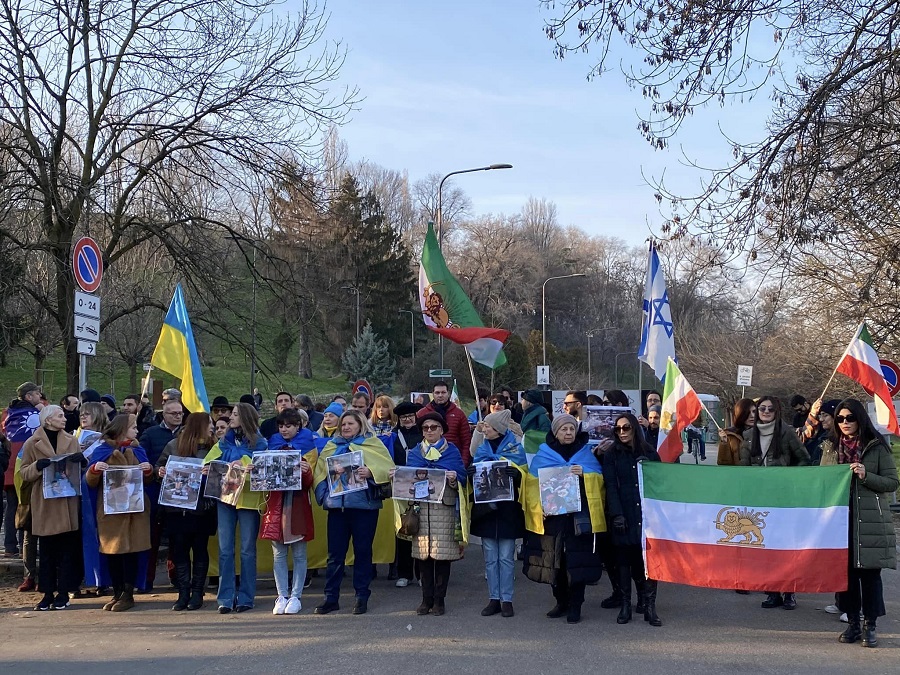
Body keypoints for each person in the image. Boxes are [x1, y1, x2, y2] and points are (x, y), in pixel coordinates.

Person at [522, 414, 605, 624]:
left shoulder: (585, 454)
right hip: (553, 518)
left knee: (577, 563)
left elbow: (600, 480)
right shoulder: (543, 455)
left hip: (578, 517)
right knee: (554, 562)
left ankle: (576, 605)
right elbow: (531, 487)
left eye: (571, 429)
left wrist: (585, 474)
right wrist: (537, 508)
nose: (568, 433)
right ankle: (560, 601)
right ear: (555, 432)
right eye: (563, 429)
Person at [313, 409, 394, 615]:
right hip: (337, 509)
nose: (346, 427)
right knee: (335, 555)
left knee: (363, 552)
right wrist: (323, 497)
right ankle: (331, 597)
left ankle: (361, 596)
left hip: (364, 508)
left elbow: (389, 469)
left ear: (360, 425)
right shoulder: (332, 446)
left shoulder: (373, 444)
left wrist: (371, 472)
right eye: (344, 424)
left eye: (351, 423)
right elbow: (319, 475)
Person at [831, 398, 898, 648]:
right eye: (840, 419)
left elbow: (892, 483)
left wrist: (866, 475)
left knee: (870, 576)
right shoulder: (830, 447)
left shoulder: (876, 447)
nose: (845, 423)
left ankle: (871, 625)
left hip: (870, 520)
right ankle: (853, 624)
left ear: (860, 418)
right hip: (840, 521)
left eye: (850, 418)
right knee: (846, 576)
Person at [740, 395, 809, 609]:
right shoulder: (748, 435)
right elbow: (741, 468)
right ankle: (771, 592)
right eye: (762, 408)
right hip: (760, 501)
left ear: (776, 411)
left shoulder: (786, 432)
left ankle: (789, 592)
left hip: (784, 499)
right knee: (766, 547)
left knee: (786, 546)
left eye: (770, 409)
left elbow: (804, 458)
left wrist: (788, 478)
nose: (766, 412)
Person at [399, 411, 466, 616]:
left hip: (443, 509)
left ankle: (440, 600)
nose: (429, 431)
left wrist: (454, 479)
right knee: (423, 557)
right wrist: (398, 476)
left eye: (434, 427)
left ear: (442, 429)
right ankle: (425, 599)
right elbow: (408, 476)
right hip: (421, 510)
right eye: (425, 428)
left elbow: (462, 476)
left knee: (441, 556)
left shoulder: (451, 451)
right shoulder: (415, 452)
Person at [84, 414, 153, 611]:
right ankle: (117, 592)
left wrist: (148, 470)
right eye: (133, 427)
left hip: (134, 511)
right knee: (113, 553)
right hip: (111, 511)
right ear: (122, 429)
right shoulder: (102, 450)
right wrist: (95, 469)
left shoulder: (137, 449)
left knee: (130, 553)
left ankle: (128, 594)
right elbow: (90, 481)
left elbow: (148, 480)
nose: (137, 431)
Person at [19, 405, 85, 610]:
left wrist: (81, 461)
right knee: (46, 553)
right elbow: (24, 473)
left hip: (66, 501)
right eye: (60, 416)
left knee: (67, 552)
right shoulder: (32, 443)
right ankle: (47, 593)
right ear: (48, 420)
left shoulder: (72, 440)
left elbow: (82, 468)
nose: (64, 419)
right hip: (45, 503)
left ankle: (64, 592)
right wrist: (38, 467)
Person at [204, 402, 267, 613]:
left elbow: (263, 469)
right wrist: (208, 468)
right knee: (225, 550)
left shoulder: (260, 442)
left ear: (247, 418)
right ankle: (225, 598)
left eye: (235, 414)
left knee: (247, 550)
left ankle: (246, 597)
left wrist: (246, 463)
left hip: (248, 501)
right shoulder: (224, 441)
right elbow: (209, 460)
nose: (230, 417)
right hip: (225, 500)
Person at [603, 413, 662, 626]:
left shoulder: (649, 452)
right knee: (624, 562)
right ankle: (626, 605)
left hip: (646, 514)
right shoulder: (612, 454)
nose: (622, 432)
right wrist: (617, 514)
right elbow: (610, 485)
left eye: (626, 427)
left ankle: (649, 607)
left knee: (647, 562)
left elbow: (661, 484)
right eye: (618, 429)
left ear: (634, 428)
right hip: (623, 512)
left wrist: (650, 469)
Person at [155, 412, 217, 611]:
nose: (213, 427)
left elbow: (221, 473)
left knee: (200, 549)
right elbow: (160, 465)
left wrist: (212, 472)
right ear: (199, 425)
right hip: (176, 508)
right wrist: (160, 472)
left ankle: (197, 592)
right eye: (210, 423)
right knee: (179, 550)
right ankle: (183, 593)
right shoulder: (174, 445)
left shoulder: (212, 447)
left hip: (201, 508)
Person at [469, 409, 526, 618]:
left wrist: (517, 475)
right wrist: (471, 473)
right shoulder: (482, 450)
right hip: (487, 512)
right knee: (490, 559)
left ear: (500, 430)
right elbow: (474, 476)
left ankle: (507, 599)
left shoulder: (515, 449)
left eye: (490, 427)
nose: (485, 430)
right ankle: (493, 598)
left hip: (508, 512)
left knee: (506, 558)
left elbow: (526, 477)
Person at [262, 408, 317, 615]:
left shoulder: (309, 447)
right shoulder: (272, 445)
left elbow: (311, 481)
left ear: (298, 426)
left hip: (297, 504)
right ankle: (281, 595)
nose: (284, 430)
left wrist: (307, 472)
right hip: (276, 504)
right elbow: (264, 480)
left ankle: (296, 595)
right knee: (278, 553)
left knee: (300, 553)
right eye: (282, 426)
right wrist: (257, 470)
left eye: (289, 426)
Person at [139, 398, 185, 590]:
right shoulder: (150, 434)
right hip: (156, 492)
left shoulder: (187, 434)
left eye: (180, 413)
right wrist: (155, 470)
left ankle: (176, 577)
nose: (177, 416)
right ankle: (147, 579)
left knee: (177, 538)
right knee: (152, 538)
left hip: (180, 494)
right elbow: (142, 457)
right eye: (173, 413)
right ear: (163, 415)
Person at [3, 381, 44, 591]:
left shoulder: (7, 414)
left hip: (9, 467)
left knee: (12, 507)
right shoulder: (36, 416)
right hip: (26, 466)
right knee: (26, 508)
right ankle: (22, 545)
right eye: (37, 393)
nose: (40, 396)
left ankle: (10, 546)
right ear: (29, 396)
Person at [389, 401, 422, 587]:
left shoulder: (423, 434)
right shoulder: (392, 437)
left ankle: (420, 573)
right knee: (403, 528)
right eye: (403, 417)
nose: (407, 420)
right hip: (401, 487)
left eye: (410, 416)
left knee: (421, 529)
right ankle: (404, 573)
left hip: (422, 487)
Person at [417, 381, 472, 465]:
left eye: (443, 392)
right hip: (427, 460)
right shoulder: (422, 413)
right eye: (437, 392)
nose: (440, 395)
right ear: (433, 394)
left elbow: (466, 441)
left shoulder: (459, 414)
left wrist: (463, 462)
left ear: (448, 393)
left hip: (453, 459)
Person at [717, 398, 756, 466]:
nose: (752, 416)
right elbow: (723, 463)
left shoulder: (764, 432)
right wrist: (724, 443)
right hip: (739, 474)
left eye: (754, 411)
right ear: (740, 414)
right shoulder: (731, 434)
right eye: (747, 413)